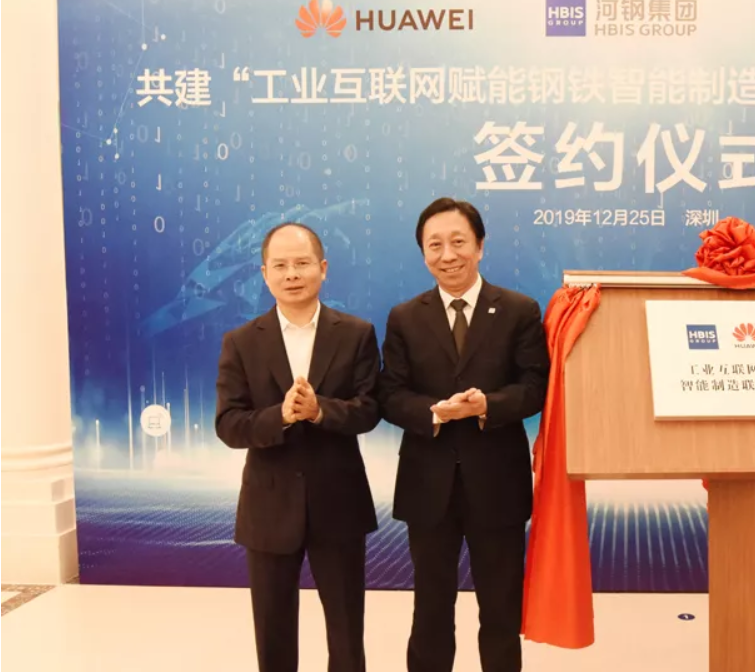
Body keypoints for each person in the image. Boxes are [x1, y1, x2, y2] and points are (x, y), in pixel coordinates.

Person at [378, 197, 550, 672]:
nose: (447, 255)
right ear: (423, 253)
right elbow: (389, 394)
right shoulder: (405, 317)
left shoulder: (517, 310)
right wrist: (434, 412)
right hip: (427, 483)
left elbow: (536, 386)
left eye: (458, 242)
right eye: (434, 245)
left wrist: (488, 405)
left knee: (500, 609)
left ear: (480, 246)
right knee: (431, 609)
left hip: (497, 483)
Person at [216, 222, 381, 672]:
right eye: (281, 265)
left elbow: (370, 410)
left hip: (339, 504)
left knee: (346, 633)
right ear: (264, 274)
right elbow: (229, 425)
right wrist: (282, 416)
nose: (292, 274)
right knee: (273, 633)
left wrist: (320, 410)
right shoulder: (241, 342)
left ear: (322, 268)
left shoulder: (356, 333)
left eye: (302, 263)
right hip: (269, 507)